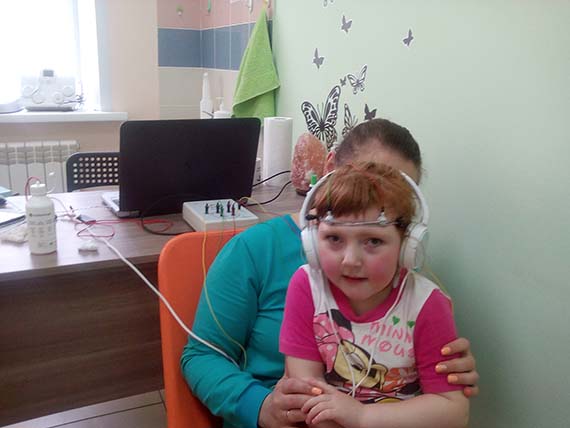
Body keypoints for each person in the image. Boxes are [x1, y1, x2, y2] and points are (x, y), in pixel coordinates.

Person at [181, 119, 479, 428]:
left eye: (395, 195)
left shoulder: (401, 275)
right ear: (330, 168)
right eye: (365, 182)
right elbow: (201, 356)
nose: (376, 201)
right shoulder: (256, 251)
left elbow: (443, 403)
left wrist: (440, 373)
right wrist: (260, 406)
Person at [280, 161, 468, 428]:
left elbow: (453, 411)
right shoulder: (307, 287)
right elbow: (306, 391)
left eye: (373, 241)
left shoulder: (427, 304)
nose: (350, 260)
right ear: (312, 241)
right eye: (334, 238)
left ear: (407, 247)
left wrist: (362, 417)